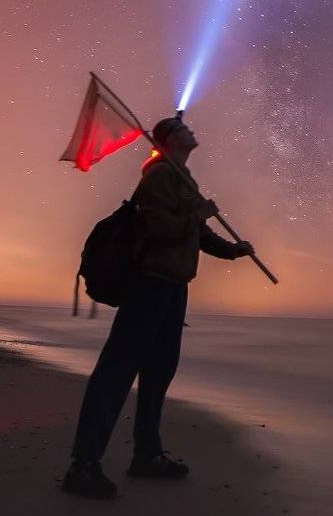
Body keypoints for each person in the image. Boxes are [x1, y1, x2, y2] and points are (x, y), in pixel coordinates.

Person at [62, 116, 255, 499]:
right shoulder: (159, 175)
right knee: (116, 372)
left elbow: (198, 236)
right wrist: (197, 214)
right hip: (149, 286)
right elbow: (161, 229)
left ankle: (147, 455)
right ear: (169, 139)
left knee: (158, 374)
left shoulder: (183, 178)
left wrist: (233, 251)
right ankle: (83, 465)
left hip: (172, 290)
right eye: (184, 129)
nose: (193, 130)